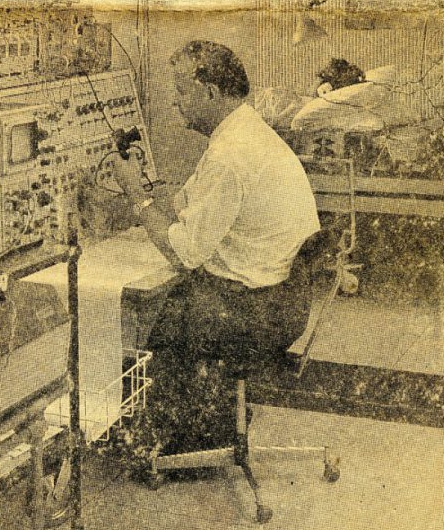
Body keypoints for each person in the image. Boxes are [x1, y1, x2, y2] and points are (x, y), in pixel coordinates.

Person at [109, 40, 321, 455]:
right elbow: (187, 204)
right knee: (177, 298)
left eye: (182, 92)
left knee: (163, 316)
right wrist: (151, 194)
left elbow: (184, 252)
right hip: (284, 298)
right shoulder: (245, 132)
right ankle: (210, 424)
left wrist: (135, 194)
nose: (175, 102)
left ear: (209, 92)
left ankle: (163, 442)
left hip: (258, 310)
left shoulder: (230, 154)